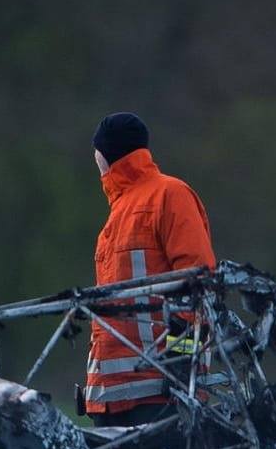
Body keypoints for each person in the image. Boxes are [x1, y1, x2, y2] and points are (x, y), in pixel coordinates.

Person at [82, 112, 217, 427]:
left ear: (104, 155)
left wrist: (183, 361)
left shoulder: (170, 194)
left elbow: (197, 278)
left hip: (161, 387)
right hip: (112, 395)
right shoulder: (120, 212)